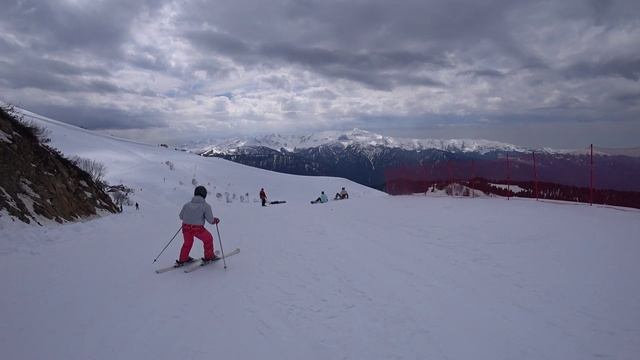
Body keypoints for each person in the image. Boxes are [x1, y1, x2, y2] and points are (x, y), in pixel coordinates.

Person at [176, 185, 220, 266]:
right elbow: (210, 220)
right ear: (204, 195)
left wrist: (189, 218)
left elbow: (181, 216)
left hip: (185, 228)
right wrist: (215, 220)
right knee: (208, 239)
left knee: (187, 243)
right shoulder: (206, 206)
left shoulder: (187, 205)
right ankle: (209, 256)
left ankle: (183, 258)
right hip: (198, 229)